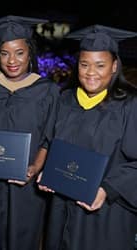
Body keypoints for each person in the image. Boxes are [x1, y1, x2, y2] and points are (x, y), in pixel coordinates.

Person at [0, 15, 60, 250]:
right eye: (4, 53)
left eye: (19, 52)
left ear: (30, 54)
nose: (12, 60)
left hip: (25, 183)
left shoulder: (46, 91)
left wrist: (35, 168)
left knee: (23, 238)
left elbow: (49, 138)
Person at [38, 25, 137, 250]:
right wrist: (49, 170)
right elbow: (54, 145)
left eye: (100, 65)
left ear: (114, 66)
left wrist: (108, 189)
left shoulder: (130, 105)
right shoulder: (65, 100)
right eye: (84, 64)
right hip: (61, 210)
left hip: (106, 214)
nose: (91, 72)